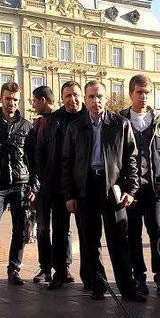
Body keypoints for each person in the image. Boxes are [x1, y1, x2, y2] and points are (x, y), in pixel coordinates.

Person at [61, 81, 143, 302]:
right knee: (89, 241)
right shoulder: (76, 126)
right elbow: (67, 162)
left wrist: (131, 190)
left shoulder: (120, 124)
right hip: (85, 189)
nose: (95, 101)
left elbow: (132, 160)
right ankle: (98, 285)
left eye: (99, 96)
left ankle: (127, 288)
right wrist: (69, 195)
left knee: (119, 240)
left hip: (112, 188)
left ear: (106, 98)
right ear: (85, 100)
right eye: (91, 97)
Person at [120, 74, 160, 297]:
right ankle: (138, 277)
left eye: (147, 92)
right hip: (131, 189)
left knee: (156, 232)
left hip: (154, 187)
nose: (143, 97)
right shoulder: (120, 120)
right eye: (139, 92)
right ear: (131, 93)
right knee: (133, 235)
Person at [37, 81, 86, 291]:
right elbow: (41, 151)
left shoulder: (89, 118)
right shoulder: (54, 120)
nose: (72, 100)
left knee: (87, 232)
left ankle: (91, 274)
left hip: (84, 185)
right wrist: (45, 178)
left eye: (75, 95)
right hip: (58, 185)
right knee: (59, 230)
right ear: (62, 97)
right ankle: (60, 271)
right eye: (67, 96)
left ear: (81, 96)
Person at [0, 82, 35, 285]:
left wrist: (34, 185)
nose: (11, 103)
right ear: (1, 99)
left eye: (15, 99)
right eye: (8, 98)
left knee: (20, 228)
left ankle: (14, 269)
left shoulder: (26, 126)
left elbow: (33, 158)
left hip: (21, 183)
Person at [27, 85, 63, 284]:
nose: (33, 105)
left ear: (42, 100)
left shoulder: (60, 121)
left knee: (60, 229)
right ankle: (45, 268)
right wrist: (34, 184)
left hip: (57, 186)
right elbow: (32, 157)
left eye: (34, 101)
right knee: (42, 229)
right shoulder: (37, 125)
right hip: (40, 188)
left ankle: (61, 268)